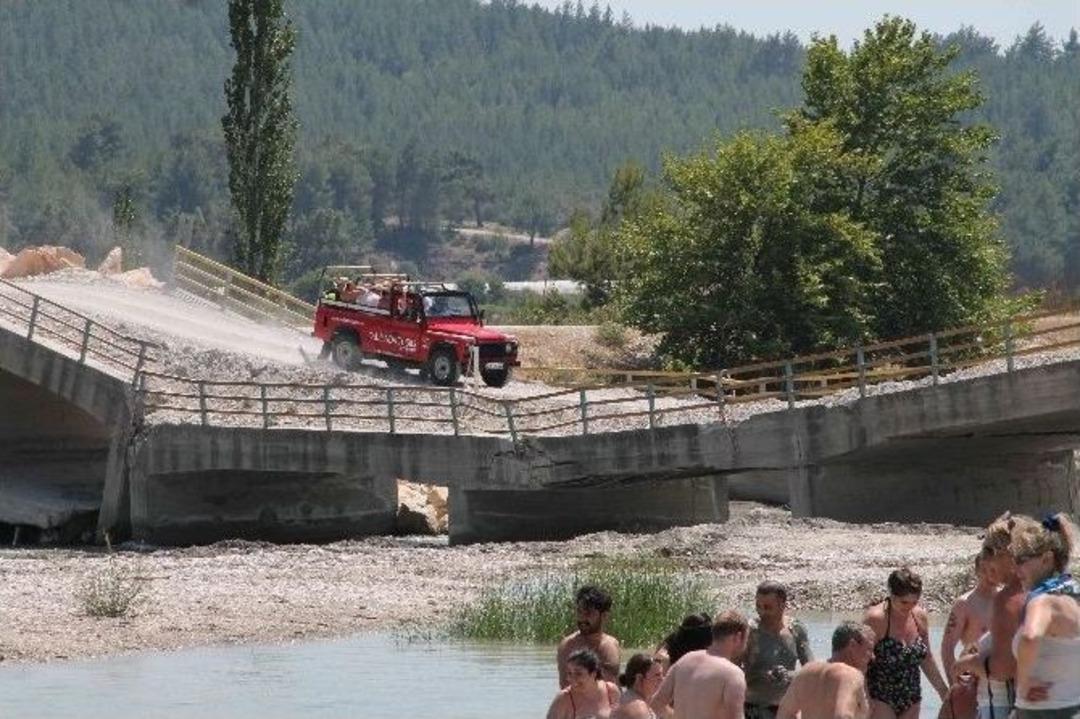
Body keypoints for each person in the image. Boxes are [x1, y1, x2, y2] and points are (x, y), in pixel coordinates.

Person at [955, 513, 1029, 718]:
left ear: (1008, 554)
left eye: (989, 551)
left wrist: (967, 663)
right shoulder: (1043, 590)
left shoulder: (1008, 599)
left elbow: (1003, 669)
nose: (985, 559)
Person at [1008, 513, 1080, 718]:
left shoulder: (1043, 601)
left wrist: (1023, 682)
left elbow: (1030, 638)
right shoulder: (1074, 595)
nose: (1015, 569)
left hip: (1042, 712)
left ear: (1046, 559)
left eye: (1021, 560)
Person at [862, 567, 949, 719]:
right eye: (904, 602)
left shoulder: (919, 617)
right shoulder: (875, 619)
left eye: (914, 602)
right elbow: (859, 663)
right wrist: (864, 699)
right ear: (891, 593)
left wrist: (943, 691)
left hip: (911, 696)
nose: (909, 607)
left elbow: (926, 658)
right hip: (880, 695)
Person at [650, 610, 749, 719]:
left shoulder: (685, 660)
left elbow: (655, 704)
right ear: (738, 637)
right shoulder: (733, 674)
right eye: (747, 639)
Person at [941, 552, 1001, 719]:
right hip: (974, 681)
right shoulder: (965, 604)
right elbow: (947, 647)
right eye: (984, 569)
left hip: (1001, 680)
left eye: (993, 569)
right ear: (976, 571)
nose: (989, 574)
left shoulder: (1005, 601)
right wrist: (954, 684)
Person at [776, 620, 876, 719]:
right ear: (852, 645)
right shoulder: (850, 675)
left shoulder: (807, 670)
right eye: (869, 649)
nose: (873, 656)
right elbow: (842, 716)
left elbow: (784, 713)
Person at [743, 581, 814, 719]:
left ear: (782, 605)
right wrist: (760, 674)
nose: (761, 611)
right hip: (753, 708)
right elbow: (732, 668)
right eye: (758, 606)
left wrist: (789, 675)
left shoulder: (796, 629)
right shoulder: (749, 631)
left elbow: (811, 669)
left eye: (768, 607)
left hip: (786, 709)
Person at [558, 586, 621, 687]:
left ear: (604, 616)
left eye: (588, 613)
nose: (582, 618)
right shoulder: (568, 646)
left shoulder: (611, 645)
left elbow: (614, 685)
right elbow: (565, 686)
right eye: (579, 612)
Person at [547, 648, 621, 719]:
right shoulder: (563, 698)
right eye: (569, 673)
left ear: (593, 673)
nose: (572, 678)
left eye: (578, 673)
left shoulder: (610, 690)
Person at [613, 653, 664, 719]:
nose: (662, 679)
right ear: (639, 678)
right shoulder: (638, 708)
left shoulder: (629, 699)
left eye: (662, 675)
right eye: (657, 675)